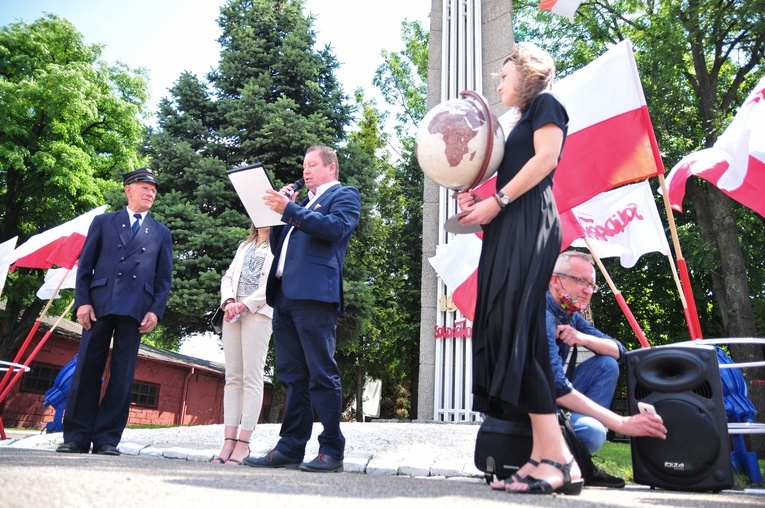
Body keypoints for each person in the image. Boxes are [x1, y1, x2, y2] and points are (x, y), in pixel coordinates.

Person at [455, 43, 579, 495]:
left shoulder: (547, 104)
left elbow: (546, 160)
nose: (498, 82)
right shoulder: (516, 123)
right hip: (511, 224)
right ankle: (544, 457)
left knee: (521, 336)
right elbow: (508, 181)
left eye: (504, 74)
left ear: (527, 75)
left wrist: (498, 199)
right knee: (512, 336)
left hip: (530, 224)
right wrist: (480, 199)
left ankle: (558, 461)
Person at [243, 145, 361, 473]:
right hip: (285, 297)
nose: (305, 171)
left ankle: (332, 450)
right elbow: (281, 247)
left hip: (315, 296)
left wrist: (291, 211)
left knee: (321, 374)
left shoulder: (344, 195)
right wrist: (283, 213)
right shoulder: (302, 204)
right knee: (292, 376)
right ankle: (290, 448)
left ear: (330, 168)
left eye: (312, 165)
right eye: (304, 166)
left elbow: (335, 229)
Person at [57, 168, 173, 455]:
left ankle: (108, 438)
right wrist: (82, 302)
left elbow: (164, 279)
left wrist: (155, 311)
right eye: (144, 188)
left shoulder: (160, 233)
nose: (150, 193)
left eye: (153, 190)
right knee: (86, 370)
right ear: (128, 190)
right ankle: (76, 436)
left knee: (122, 375)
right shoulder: (104, 222)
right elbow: (85, 268)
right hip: (99, 305)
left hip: (135, 309)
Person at [541, 250, 666, 487]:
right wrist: (619, 422)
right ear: (556, 280)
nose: (588, 290)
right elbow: (556, 385)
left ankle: (577, 458)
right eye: (580, 281)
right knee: (594, 432)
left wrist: (582, 338)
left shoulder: (570, 316)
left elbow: (620, 352)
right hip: (525, 407)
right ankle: (569, 458)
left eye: (591, 284)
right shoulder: (542, 315)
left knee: (605, 364)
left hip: (549, 398)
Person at [212, 225, 274, 465]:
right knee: (233, 377)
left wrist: (246, 304)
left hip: (258, 312)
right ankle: (228, 440)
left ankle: (243, 444)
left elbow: (274, 284)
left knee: (252, 376)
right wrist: (229, 301)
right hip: (232, 312)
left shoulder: (279, 246)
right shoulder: (244, 245)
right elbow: (228, 277)